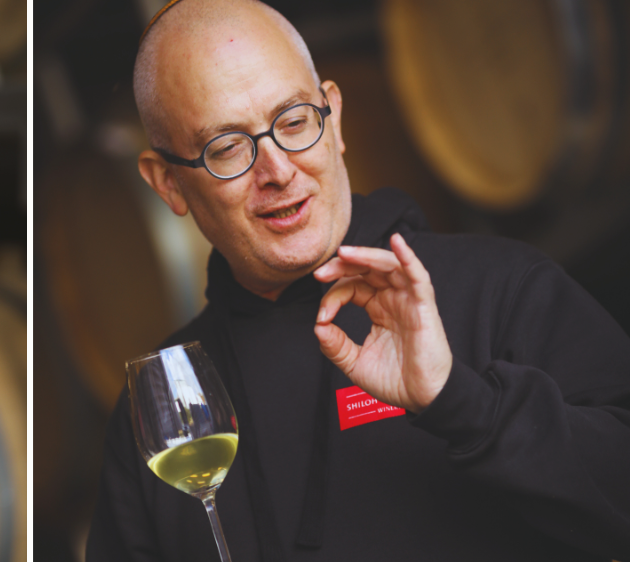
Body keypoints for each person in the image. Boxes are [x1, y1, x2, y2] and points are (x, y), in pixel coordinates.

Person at [86, 1, 630, 560]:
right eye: (227, 147)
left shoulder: (504, 287)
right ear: (169, 184)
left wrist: (460, 401)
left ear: (334, 119)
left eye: (295, 121)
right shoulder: (163, 409)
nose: (277, 171)